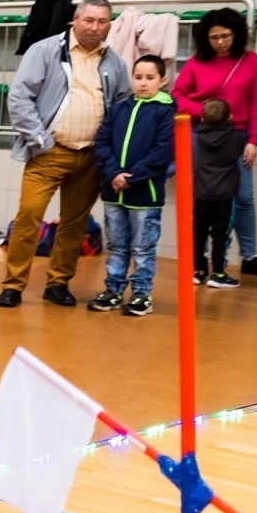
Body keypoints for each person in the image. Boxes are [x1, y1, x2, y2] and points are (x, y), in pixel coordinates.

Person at [0, 0, 129, 307]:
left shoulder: (115, 62)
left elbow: (123, 106)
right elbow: (19, 99)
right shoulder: (44, 50)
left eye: (102, 22)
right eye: (89, 20)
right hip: (49, 152)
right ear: (75, 19)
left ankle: (58, 282)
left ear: (109, 25)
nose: (94, 28)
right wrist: (39, 140)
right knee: (29, 216)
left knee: (75, 222)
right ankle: (13, 285)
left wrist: (109, 149)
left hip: (91, 157)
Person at [172, 7, 257, 278]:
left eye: (226, 36)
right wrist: (206, 112)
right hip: (201, 136)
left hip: (237, 136)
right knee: (204, 199)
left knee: (243, 198)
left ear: (237, 34)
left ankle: (251, 255)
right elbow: (177, 96)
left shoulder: (251, 60)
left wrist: (254, 140)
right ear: (204, 38)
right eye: (214, 37)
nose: (220, 42)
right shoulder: (197, 62)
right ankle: (203, 258)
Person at [87, 55, 174, 317]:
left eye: (150, 78)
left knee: (143, 247)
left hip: (143, 195)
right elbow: (101, 142)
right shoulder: (119, 108)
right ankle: (113, 290)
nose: (143, 83)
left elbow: (161, 153)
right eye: (138, 77)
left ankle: (141, 295)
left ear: (163, 80)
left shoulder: (166, 111)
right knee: (116, 245)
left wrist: (131, 177)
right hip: (114, 192)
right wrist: (113, 173)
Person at [191, 98, 245, 289]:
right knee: (221, 235)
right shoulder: (237, 138)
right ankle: (218, 273)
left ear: (203, 119)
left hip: (201, 194)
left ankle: (198, 271)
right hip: (225, 195)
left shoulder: (198, 138)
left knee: (198, 233)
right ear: (230, 118)